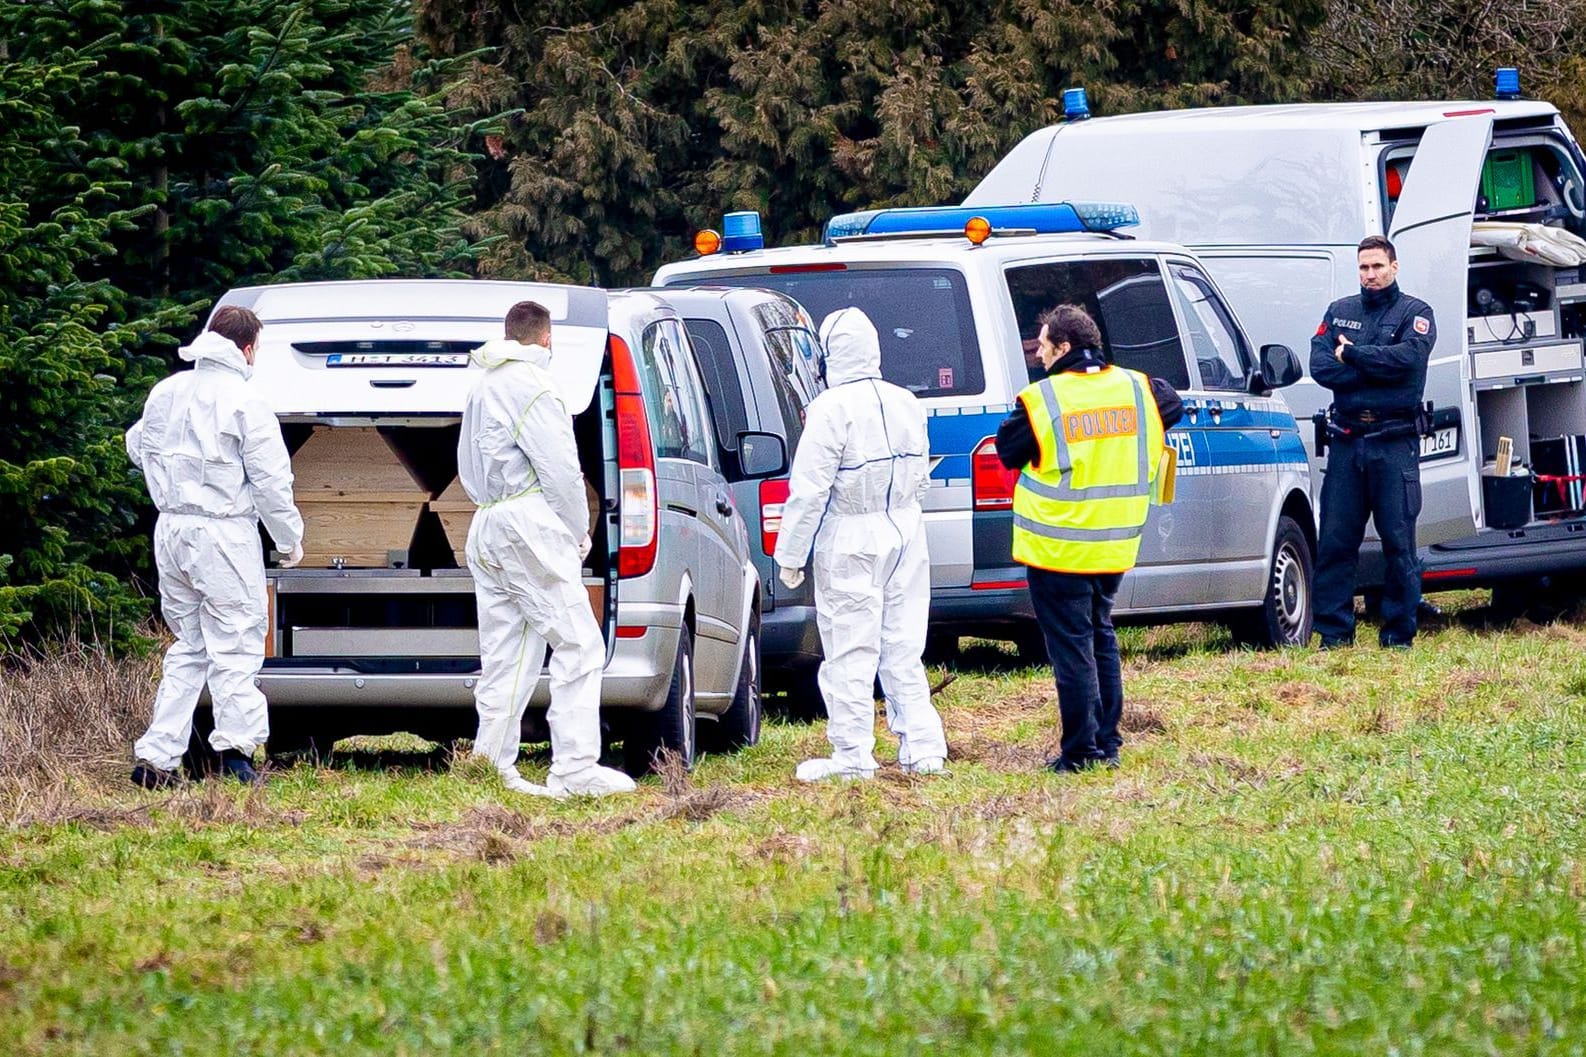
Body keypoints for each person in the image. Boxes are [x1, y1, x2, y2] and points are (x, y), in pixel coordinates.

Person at [459, 300, 635, 798]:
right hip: (528, 524)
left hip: (487, 520)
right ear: (547, 338)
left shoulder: (483, 384)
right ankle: (575, 768)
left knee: (508, 653)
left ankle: (491, 764)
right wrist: (579, 529)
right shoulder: (535, 387)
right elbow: (560, 470)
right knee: (579, 644)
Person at [996, 304, 1181, 773]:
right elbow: (1172, 405)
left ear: (1064, 347)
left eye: (1041, 345)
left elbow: (1009, 450)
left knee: (1072, 648)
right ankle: (1108, 741)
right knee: (1100, 635)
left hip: (1060, 546)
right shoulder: (1139, 388)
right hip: (1116, 542)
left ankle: (1080, 751)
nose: (1037, 355)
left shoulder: (1045, 399)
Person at [126, 306, 304, 789]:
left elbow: (136, 444)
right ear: (248, 349)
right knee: (237, 645)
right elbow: (270, 480)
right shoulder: (245, 400)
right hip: (223, 534)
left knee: (190, 648)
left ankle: (157, 760)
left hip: (172, 531)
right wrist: (289, 539)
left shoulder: (166, 391)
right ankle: (236, 757)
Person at [773, 307, 948, 781]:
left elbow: (809, 490)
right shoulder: (906, 400)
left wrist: (790, 555)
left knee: (851, 649)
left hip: (851, 535)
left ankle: (852, 755)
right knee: (903, 646)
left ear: (829, 356)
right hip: (907, 532)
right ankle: (925, 748)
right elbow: (921, 478)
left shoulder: (831, 408)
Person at [1310, 235, 1436, 650]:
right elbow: (1321, 365)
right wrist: (1370, 365)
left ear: (1394, 267)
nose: (1371, 275)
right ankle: (1333, 634)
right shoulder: (1340, 311)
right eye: (1364, 267)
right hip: (1347, 441)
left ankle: (1399, 634)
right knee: (1335, 541)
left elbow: (1407, 362)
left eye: (1378, 266)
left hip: (1393, 442)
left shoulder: (1416, 313)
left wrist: (1355, 356)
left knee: (1399, 544)